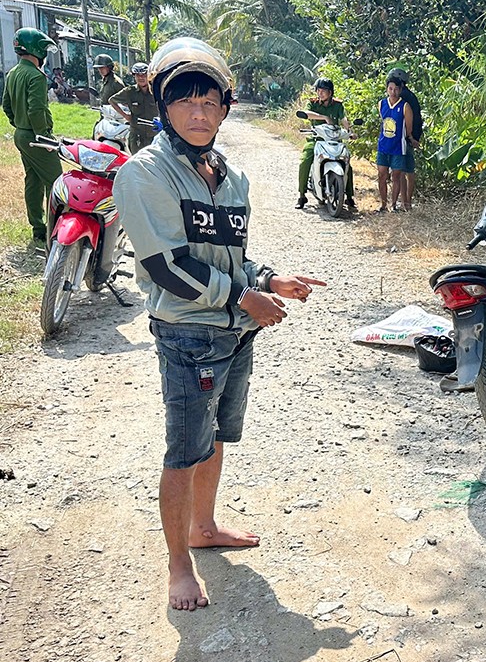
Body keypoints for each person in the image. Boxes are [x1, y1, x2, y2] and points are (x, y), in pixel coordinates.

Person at [112, 37, 326, 611]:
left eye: (210, 101)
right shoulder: (144, 174)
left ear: (226, 108)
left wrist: (270, 278)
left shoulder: (229, 175)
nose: (199, 113)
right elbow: (168, 268)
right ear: (164, 106)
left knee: (214, 440)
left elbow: (231, 257)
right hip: (189, 335)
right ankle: (178, 567)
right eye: (186, 101)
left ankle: (203, 527)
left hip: (234, 333)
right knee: (184, 450)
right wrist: (245, 299)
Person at [2, 28, 63, 244]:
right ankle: (56, 229)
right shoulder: (36, 76)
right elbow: (36, 110)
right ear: (36, 49)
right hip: (37, 138)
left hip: (21, 134)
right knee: (57, 183)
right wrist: (43, 136)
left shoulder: (12, 73)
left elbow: (6, 105)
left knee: (33, 180)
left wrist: (19, 125)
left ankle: (38, 227)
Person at [296, 77, 355, 210]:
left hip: (334, 141)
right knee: (305, 161)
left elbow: (343, 118)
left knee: (347, 163)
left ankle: (349, 196)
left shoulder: (338, 105)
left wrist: (350, 131)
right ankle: (302, 195)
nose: (320, 93)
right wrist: (324, 117)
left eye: (324, 90)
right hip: (316, 140)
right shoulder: (313, 103)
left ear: (330, 92)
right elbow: (307, 113)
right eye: (318, 90)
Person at [376, 69, 413, 212]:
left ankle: (393, 205)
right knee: (381, 175)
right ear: (387, 89)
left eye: (396, 89)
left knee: (396, 176)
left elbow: (408, 128)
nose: (393, 92)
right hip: (383, 145)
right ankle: (383, 204)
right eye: (390, 89)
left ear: (400, 90)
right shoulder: (381, 104)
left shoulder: (405, 106)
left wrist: (410, 139)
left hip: (398, 147)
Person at [109, 62, 157, 153]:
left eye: (144, 75)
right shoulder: (130, 92)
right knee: (137, 158)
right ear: (134, 76)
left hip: (154, 135)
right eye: (138, 75)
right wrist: (125, 116)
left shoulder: (156, 91)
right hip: (137, 135)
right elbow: (112, 100)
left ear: (148, 76)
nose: (141, 78)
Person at [394, 69, 422, 211]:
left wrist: (409, 137)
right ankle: (408, 202)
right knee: (409, 171)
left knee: (402, 171)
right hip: (412, 137)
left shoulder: (402, 98)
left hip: (404, 138)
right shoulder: (411, 96)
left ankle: (405, 202)